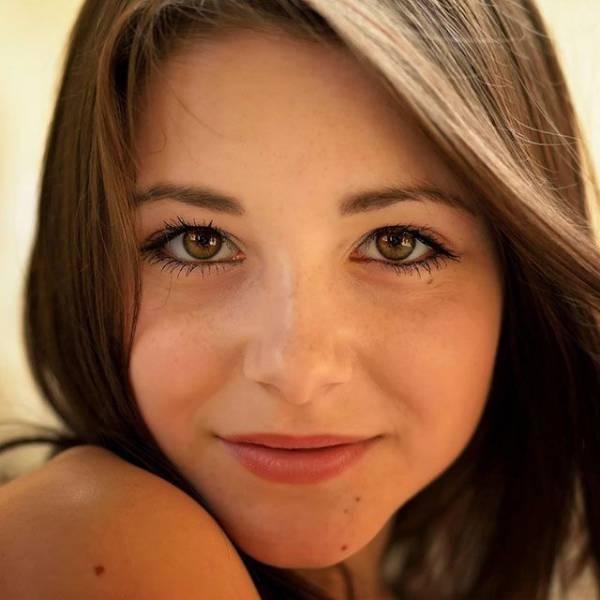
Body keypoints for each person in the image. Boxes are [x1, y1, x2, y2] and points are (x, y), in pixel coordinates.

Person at [0, 1, 598, 598]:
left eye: (397, 244)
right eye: (200, 242)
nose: (297, 371)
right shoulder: (89, 539)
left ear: (518, 270)